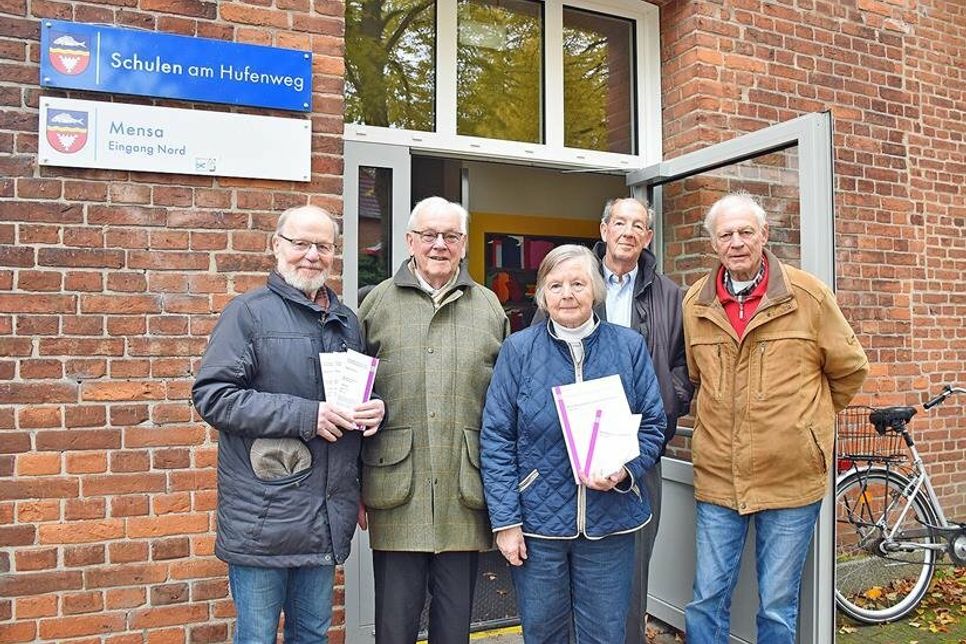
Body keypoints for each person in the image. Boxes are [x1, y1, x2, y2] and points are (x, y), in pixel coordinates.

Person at [192, 205, 385, 643]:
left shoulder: (346, 322)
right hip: (264, 516)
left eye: (323, 246)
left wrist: (373, 409)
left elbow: (345, 402)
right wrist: (306, 416)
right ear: (276, 246)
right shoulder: (248, 313)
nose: (312, 255)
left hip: (323, 515)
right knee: (258, 636)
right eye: (301, 243)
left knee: (313, 635)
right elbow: (213, 396)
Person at [682, 192, 869, 643]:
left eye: (747, 231)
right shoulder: (695, 303)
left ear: (764, 235)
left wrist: (806, 425)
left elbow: (849, 369)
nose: (737, 242)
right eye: (726, 234)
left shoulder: (808, 295)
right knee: (705, 599)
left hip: (790, 478)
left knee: (777, 608)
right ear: (713, 244)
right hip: (719, 478)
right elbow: (695, 377)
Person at [481, 244, 667, 644]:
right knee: (544, 635)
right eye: (556, 285)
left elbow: (653, 424)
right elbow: (496, 437)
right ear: (543, 295)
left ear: (596, 290)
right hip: (539, 526)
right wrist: (507, 522)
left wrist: (625, 471)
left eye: (578, 283)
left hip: (610, 523)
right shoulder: (519, 350)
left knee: (604, 635)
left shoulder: (628, 347)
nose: (567, 293)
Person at [358, 196, 509, 644]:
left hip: (464, 491)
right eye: (429, 235)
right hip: (394, 489)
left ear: (463, 244)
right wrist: (352, 487)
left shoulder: (489, 308)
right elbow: (350, 400)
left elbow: (504, 410)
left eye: (450, 236)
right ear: (410, 241)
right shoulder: (374, 305)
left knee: (454, 628)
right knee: (394, 627)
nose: (439, 244)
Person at [595, 197, 693, 644]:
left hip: (642, 445)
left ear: (648, 237)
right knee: (584, 553)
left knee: (636, 559)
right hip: (581, 440)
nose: (628, 232)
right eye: (620, 223)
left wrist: (668, 402)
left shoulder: (670, 294)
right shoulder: (575, 278)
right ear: (604, 230)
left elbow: (682, 365)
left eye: (638, 225)